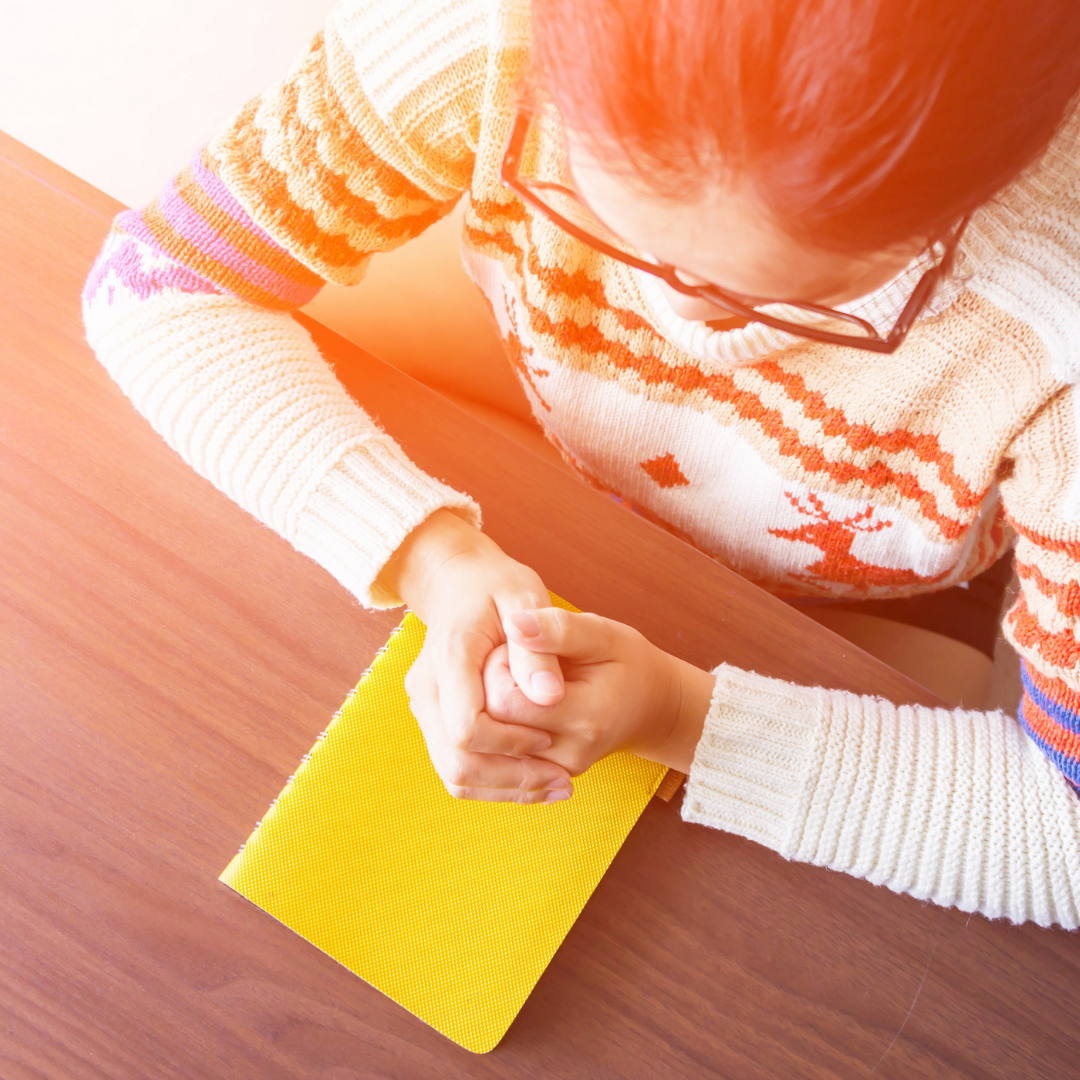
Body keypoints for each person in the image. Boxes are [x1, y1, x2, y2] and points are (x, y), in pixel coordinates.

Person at [82, 0, 1080, 928]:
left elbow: (1062, 832)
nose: (686, 320)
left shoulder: (1054, 324)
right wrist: (427, 552)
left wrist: (683, 716)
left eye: (792, 302)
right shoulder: (487, 32)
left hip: (883, 583)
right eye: (620, 227)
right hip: (548, 394)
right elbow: (161, 281)